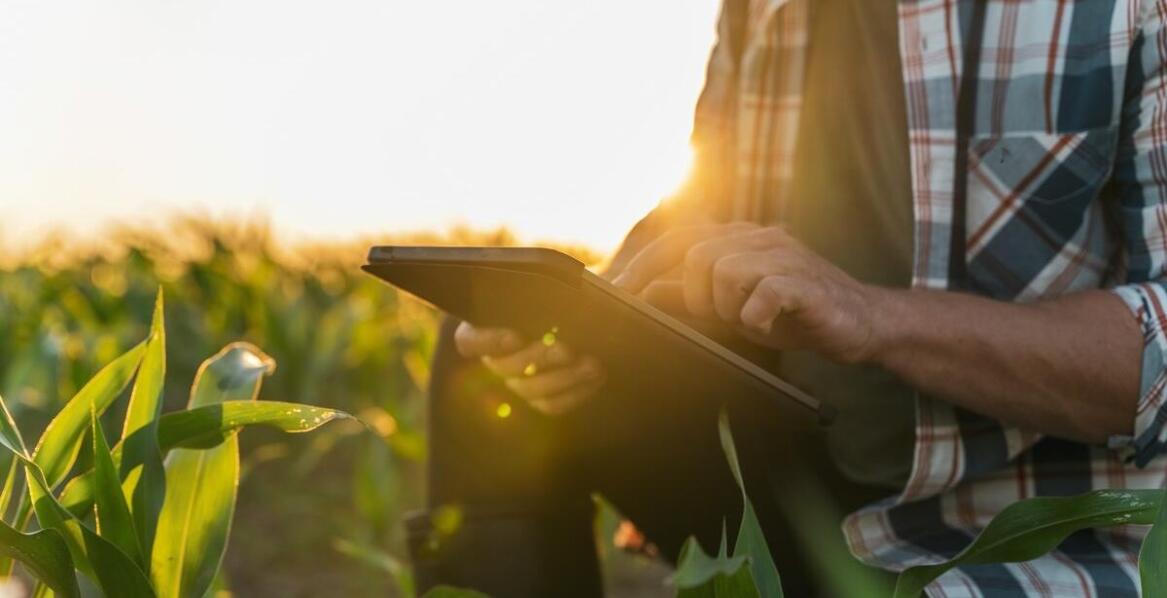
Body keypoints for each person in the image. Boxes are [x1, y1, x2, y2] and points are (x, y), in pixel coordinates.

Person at [407, 0, 1167, 596]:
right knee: (482, 358)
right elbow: (709, 198)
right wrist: (602, 308)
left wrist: (876, 320)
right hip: (796, 481)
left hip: (1019, 540)